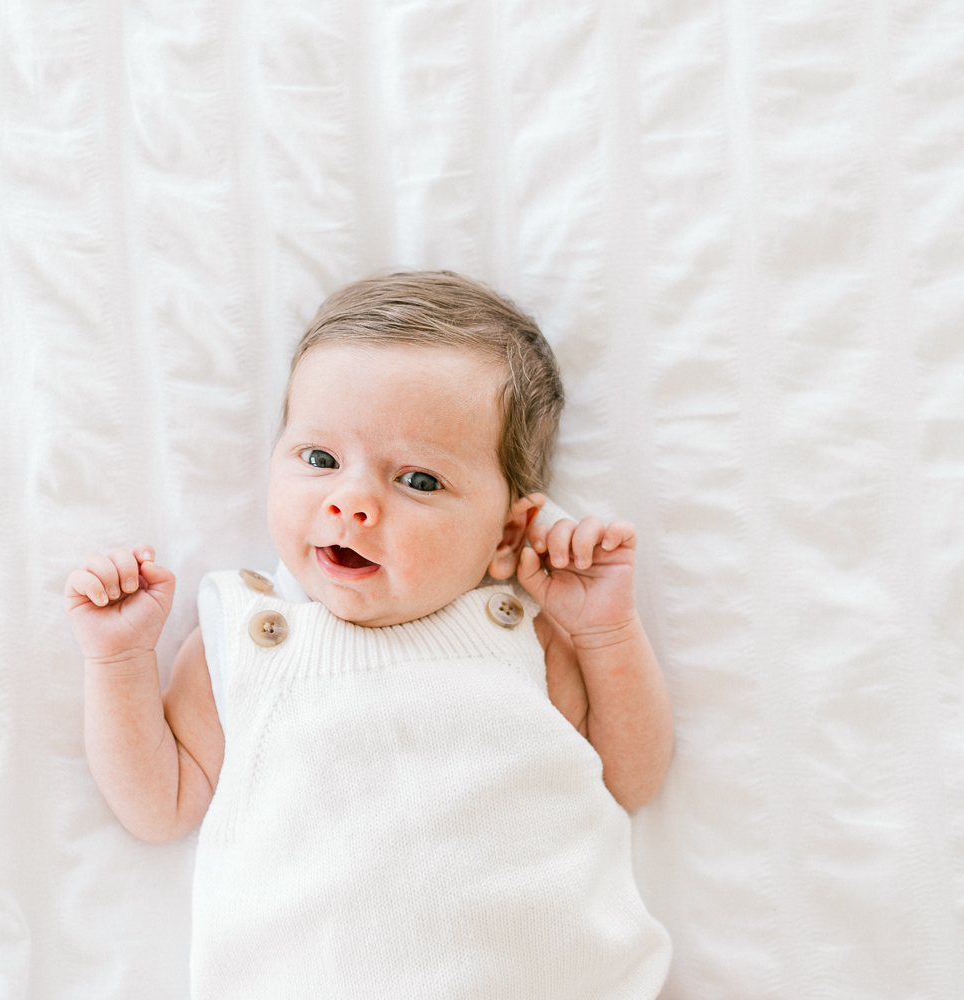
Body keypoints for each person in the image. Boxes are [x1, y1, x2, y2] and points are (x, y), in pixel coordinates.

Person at [64, 272, 674, 998]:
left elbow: (630, 778)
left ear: (509, 531)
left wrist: (606, 633)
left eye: (416, 480)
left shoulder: (521, 635)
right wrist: (119, 659)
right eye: (320, 460)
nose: (350, 502)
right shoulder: (256, 637)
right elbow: (157, 804)